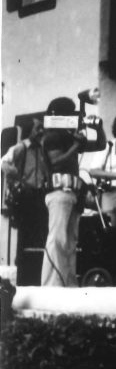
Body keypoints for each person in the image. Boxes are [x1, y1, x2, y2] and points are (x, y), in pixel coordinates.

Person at [40, 97, 107, 287]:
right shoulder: (52, 137)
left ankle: (67, 283)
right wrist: (77, 145)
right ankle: (51, 284)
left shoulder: (68, 137)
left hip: (71, 194)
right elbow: (56, 162)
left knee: (70, 241)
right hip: (59, 192)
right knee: (58, 239)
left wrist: (97, 128)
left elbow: (100, 145)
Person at [1, 118, 49, 279]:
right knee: (25, 236)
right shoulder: (21, 147)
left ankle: (35, 273)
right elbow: (4, 163)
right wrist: (17, 177)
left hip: (39, 196)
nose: (41, 131)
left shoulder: (42, 149)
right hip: (25, 197)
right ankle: (23, 275)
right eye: (38, 128)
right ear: (30, 131)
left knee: (39, 235)